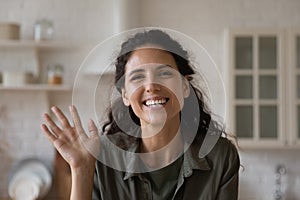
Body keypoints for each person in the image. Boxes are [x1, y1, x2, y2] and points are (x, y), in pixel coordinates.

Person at [41, 29, 240, 200]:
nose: (152, 86)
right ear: (126, 95)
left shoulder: (220, 156)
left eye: (164, 73)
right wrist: (81, 171)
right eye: (138, 77)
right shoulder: (100, 157)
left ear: (185, 86)